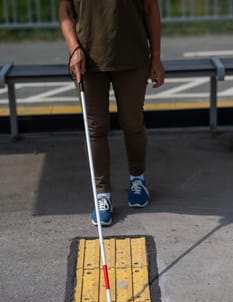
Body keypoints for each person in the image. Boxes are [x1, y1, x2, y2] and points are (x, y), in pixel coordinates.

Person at [59, 0, 164, 226]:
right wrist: (74, 48)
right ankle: (102, 194)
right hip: (87, 59)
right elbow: (65, 10)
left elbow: (150, 8)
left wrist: (155, 56)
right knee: (95, 129)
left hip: (132, 56)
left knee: (132, 123)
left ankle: (137, 179)